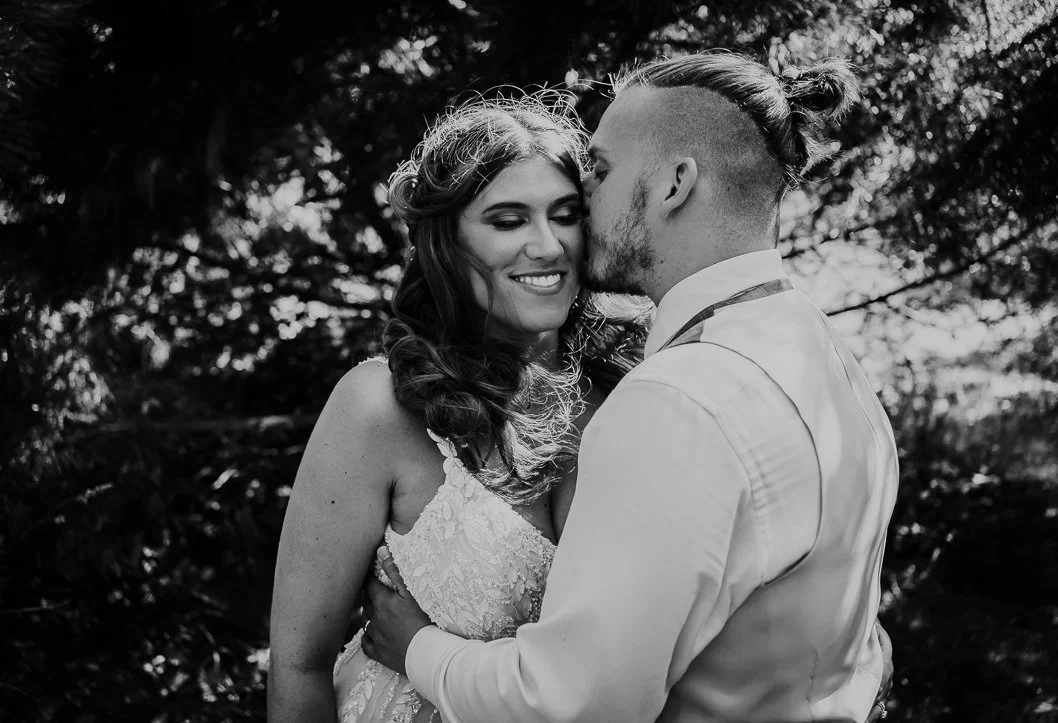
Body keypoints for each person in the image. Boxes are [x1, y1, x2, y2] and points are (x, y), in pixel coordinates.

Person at [359, 50, 900, 722]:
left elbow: (578, 705)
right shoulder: (824, 354)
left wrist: (417, 647)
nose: (583, 195)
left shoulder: (677, 401)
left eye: (601, 169)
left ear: (675, 184)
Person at [267, 95, 648, 722]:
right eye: (508, 221)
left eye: (566, 215)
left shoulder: (637, 394)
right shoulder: (378, 409)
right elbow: (298, 666)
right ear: (444, 241)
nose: (548, 245)